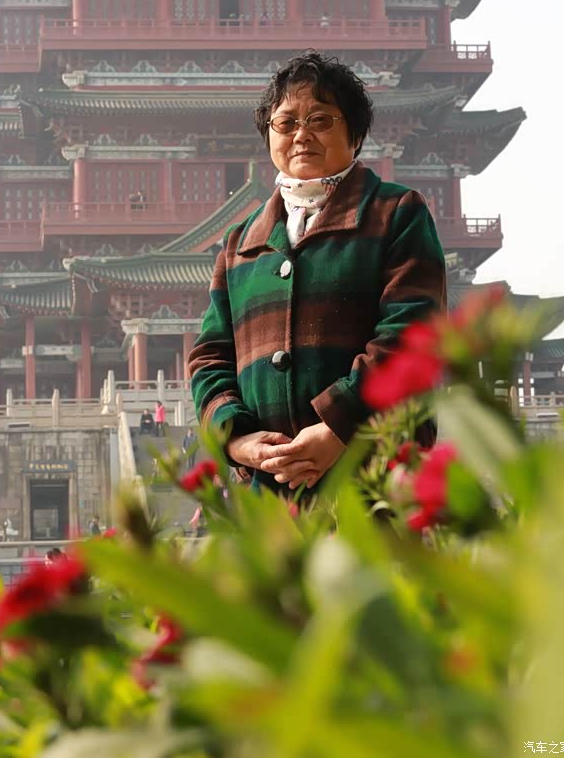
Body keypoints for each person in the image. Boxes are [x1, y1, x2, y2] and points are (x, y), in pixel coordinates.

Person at [188, 51, 446, 496]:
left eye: (320, 120)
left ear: (355, 134)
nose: (301, 135)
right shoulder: (240, 243)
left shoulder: (396, 213)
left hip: (376, 472)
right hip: (270, 488)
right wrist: (237, 440)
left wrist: (338, 428)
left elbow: (411, 333)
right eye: (285, 123)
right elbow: (210, 356)